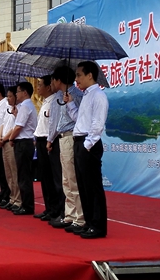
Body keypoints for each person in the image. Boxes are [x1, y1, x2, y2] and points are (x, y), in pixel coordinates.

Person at [66, 61, 109, 239]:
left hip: (88, 143)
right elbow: (79, 119)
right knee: (83, 186)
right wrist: (69, 104)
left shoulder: (98, 95)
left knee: (93, 186)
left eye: (79, 75)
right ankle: (89, 222)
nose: (77, 79)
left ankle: (98, 226)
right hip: (80, 140)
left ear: (90, 75)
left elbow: (97, 125)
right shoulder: (86, 96)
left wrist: (86, 145)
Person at [47, 66, 85, 232]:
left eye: (53, 80)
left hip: (71, 136)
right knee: (66, 180)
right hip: (62, 138)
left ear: (59, 80)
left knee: (72, 179)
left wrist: (70, 103)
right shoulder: (60, 96)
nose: (52, 83)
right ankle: (70, 215)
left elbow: (80, 119)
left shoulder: (75, 95)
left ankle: (79, 217)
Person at [33, 75, 60, 222]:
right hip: (41, 140)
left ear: (49, 86)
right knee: (44, 177)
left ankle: (55, 209)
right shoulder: (44, 102)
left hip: (50, 142)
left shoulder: (54, 102)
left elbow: (53, 125)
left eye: (40, 85)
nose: (38, 88)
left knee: (51, 177)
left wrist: (49, 141)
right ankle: (48, 208)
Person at [8, 82, 37, 215]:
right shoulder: (25, 106)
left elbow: (19, 126)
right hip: (24, 141)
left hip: (24, 142)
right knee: (22, 174)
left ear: (25, 92)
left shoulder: (25, 106)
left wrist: (11, 138)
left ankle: (27, 205)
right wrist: (15, 115)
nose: (16, 94)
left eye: (18, 91)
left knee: (24, 175)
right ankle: (26, 204)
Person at [0, 86, 22, 212]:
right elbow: (3, 124)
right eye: (8, 96)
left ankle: (18, 199)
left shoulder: (19, 110)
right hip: (4, 142)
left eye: (11, 96)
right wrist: (0, 136)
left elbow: (15, 127)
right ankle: (12, 198)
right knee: (8, 173)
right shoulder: (7, 109)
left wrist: (5, 138)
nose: (9, 98)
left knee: (14, 171)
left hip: (10, 142)